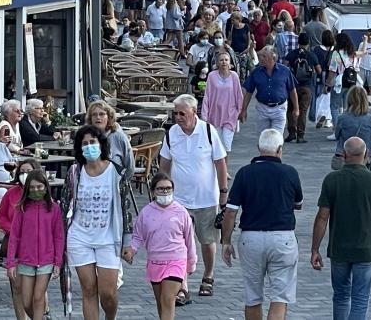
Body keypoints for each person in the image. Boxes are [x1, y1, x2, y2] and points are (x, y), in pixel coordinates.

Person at [310, 137, 371, 320]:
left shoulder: (332, 179)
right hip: (366, 250)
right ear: (366, 154)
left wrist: (315, 249)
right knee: (360, 298)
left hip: (339, 249)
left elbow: (322, 217)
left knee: (341, 295)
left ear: (344, 155)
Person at [221, 129, 304, 320]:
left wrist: (226, 241)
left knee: (252, 296)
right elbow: (297, 204)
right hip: (282, 237)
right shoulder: (290, 172)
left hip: (251, 238)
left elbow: (231, 211)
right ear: (279, 149)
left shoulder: (244, 173)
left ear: (259, 147)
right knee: (280, 297)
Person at [158, 94, 229, 301]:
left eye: (182, 113)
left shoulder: (207, 131)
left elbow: (220, 163)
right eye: (175, 113)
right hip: (179, 200)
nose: (178, 117)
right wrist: (162, 190)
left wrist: (224, 193)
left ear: (193, 112)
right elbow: (164, 163)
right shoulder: (172, 133)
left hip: (206, 198)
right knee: (179, 243)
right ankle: (182, 286)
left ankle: (208, 275)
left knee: (207, 241)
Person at [64, 125, 126, 320]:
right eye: (84, 144)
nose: (89, 147)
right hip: (79, 237)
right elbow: (65, 206)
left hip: (108, 237)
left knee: (107, 293)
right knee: (88, 289)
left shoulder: (115, 171)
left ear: (101, 144)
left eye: (92, 142)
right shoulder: (75, 172)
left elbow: (125, 209)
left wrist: (129, 242)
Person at [124, 173, 197, 320]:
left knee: (168, 299)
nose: (165, 192)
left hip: (176, 261)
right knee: (161, 302)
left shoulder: (181, 212)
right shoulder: (146, 213)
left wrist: (191, 263)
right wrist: (131, 250)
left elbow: (189, 239)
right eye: (161, 189)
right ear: (153, 191)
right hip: (155, 263)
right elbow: (138, 236)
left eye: (168, 189)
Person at [5, 170, 65, 320]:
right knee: (26, 301)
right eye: (32, 187)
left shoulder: (54, 208)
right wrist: (11, 262)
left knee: (38, 298)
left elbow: (59, 237)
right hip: (26, 260)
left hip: (46, 260)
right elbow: (14, 237)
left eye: (39, 186)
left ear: (45, 187)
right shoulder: (21, 208)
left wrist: (58, 262)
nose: (36, 190)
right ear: (27, 189)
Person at [241, 47, 298, 136]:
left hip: (279, 108)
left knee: (277, 139)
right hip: (262, 108)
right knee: (263, 138)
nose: (261, 58)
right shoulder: (256, 72)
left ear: (273, 58)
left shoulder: (285, 71)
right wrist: (243, 110)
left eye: (264, 56)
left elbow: (292, 90)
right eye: (261, 56)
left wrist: (296, 108)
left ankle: (277, 150)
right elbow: (249, 92)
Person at [332, 86, 371, 171]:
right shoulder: (369, 117)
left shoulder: (342, 117)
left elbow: (337, 135)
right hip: (364, 155)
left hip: (345, 155)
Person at [202, 52, 244, 151]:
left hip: (230, 114)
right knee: (217, 145)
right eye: (221, 60)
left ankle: (225, 166)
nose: (224, 62)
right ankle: (218, 166)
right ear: (217, 63)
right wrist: (205, 116)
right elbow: (207, 96)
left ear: (230, 62)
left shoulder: (234, 76)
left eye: (226, 60)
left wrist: (240, 111)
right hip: (215, 114)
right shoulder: (212, 76)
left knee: (226, 145)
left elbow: (239, 95)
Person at [326, 33, 360, 137]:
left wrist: (327, 83)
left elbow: (332, 70)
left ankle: (337, 131)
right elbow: (357, 69)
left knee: (335, 106)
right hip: (351, 83)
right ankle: (347, 129)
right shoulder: (353, 54)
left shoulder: (337, 53)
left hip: (339, 83)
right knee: (347, 107)